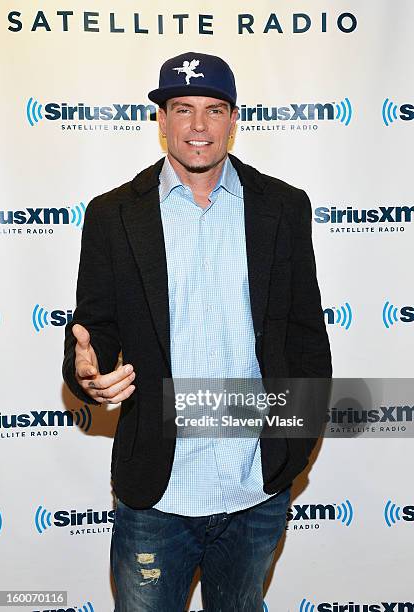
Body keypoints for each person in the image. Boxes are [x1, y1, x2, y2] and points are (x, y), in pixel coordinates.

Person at [62, 51, 332, 612]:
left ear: (234, 118)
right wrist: (85, 371)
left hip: (256, 485)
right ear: (161, 120)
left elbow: (307, 337)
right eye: (182, 109)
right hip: (157, 490)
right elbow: (96, 328)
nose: (199, 126)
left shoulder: (283, 207)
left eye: (214, 109)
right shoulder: (113, 214)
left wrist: (291, 451)